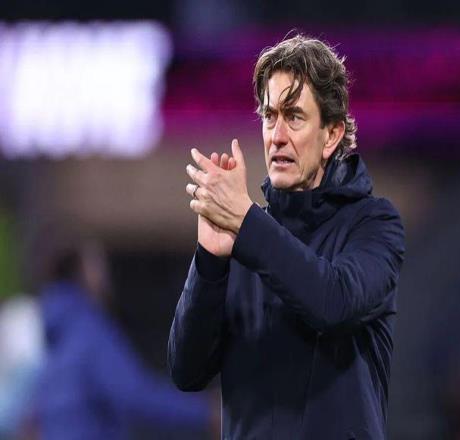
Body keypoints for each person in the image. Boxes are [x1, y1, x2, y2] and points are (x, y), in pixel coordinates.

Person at [168, 34, 405, 439]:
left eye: (294, 116)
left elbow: (333, 301)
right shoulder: (244, 237)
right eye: (269, 116)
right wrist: (209, 259)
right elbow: (186, 371)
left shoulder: (374, 225)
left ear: (331, 135)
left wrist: (245, 222)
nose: (277, 135)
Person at [34, 231, 213, 440]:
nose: (105, 275)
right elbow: (135, 397)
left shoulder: (57, 335)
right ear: (80, 270)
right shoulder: (89, 332)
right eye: (97, 264)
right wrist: (205, 412)